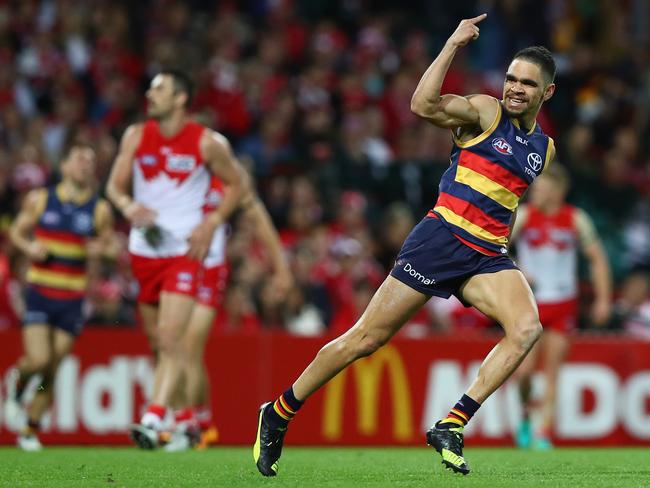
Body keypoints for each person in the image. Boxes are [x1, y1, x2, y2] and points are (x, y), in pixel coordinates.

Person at [254, 13, 558, 476]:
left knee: (527, 328)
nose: (515, 89)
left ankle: (452, 423)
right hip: (440, 241)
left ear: (547, 93)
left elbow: (506, 197)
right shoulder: (485, 110)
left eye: (527, 84)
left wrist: (502, 247)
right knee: (366, 339)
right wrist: (453, 43)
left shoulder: (544, 148)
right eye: (511, 79)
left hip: (487, 254)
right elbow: (421, 105)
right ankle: (278, 411)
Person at [106, 69, 248, 449]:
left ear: (181, 98)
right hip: (144, 252)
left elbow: (237, 184)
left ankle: (153, 419)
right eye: (151, 88)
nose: (150, 95)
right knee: (158, 342)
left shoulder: (205, 143)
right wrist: (127, 204)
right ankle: (185, 421)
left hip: (185, 253)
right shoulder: (135, 135)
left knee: (173, 338)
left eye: (159, 89)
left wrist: (213, 222)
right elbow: (114, 187)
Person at [163, 176, 293, 451]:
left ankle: (192, 424)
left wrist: (281, 268)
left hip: (208, 269)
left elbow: (260, 220)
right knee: (172, 346)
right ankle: (195, 421)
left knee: (188, 347)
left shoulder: (224, 182)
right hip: (175, 263)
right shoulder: (180, 175)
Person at [4, 143, 118, 451]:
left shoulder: (99, 209)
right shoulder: (41, 200)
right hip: (40, 292)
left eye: (90, 160)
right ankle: (16, 386)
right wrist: (29, 248)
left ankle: (30, 428)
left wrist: (103, 250)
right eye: (80, 159)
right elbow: (16, 232)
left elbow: (113, 248)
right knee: (38, 359)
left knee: (53, 367)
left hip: (72, 298)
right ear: (65, 166)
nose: (86, 165)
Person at [510, 163, 611, 449]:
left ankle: (543, 431)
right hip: (530, 304)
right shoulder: (525, 217)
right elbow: (495, 248)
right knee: (524, 373)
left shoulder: (576, 219)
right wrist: (517, 269)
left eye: (542, 188)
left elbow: (597, 259)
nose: (536, 193)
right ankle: (527, 414)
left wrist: (603, 299)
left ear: (558, 190)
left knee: (552, 370)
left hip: (564, 304)